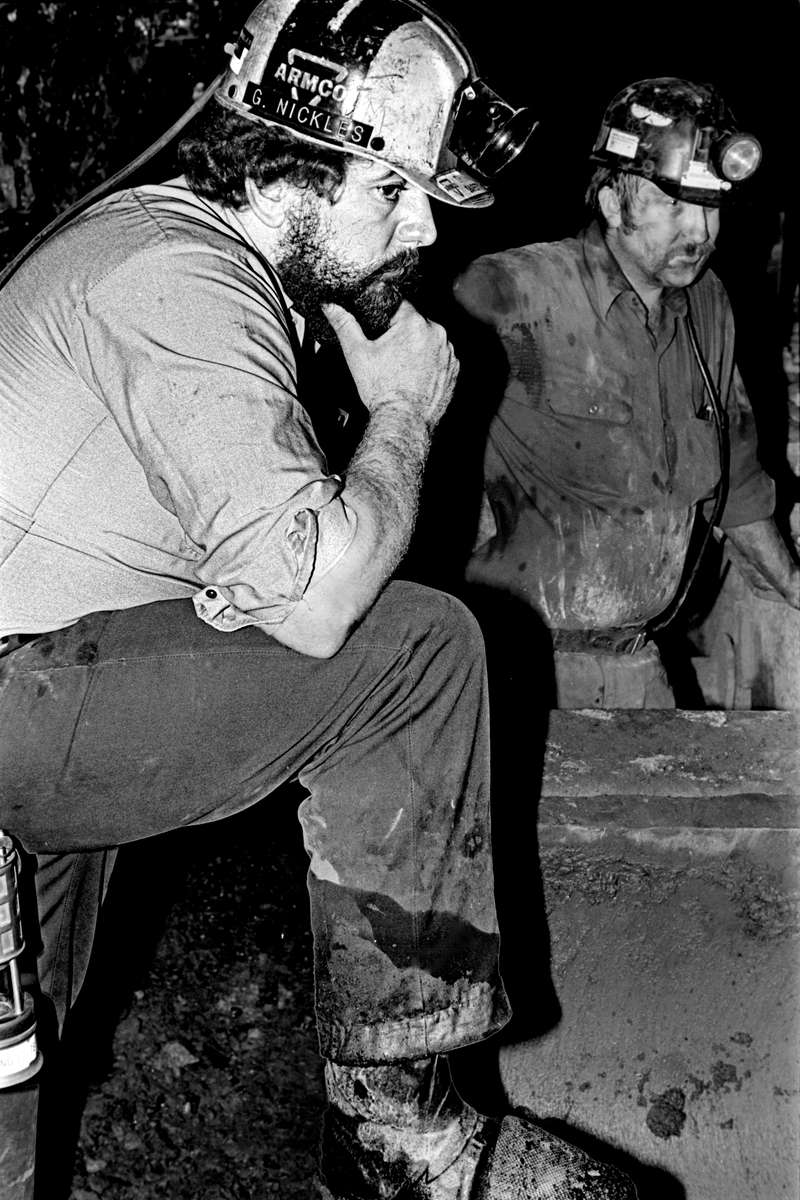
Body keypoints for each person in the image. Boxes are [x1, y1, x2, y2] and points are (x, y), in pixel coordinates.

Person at [0, 1, 637, 1196]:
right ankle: (397, 1116)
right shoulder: (179, 275)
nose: (420, 227)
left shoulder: (186, 261)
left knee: (12, 1102)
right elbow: (315, 605)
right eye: (389, 191)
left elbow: (234, 567)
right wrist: (401, 412)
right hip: (16, 692)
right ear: (292, 172)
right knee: (417, 654)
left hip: (46, 698)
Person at [452, 77, 800, 709]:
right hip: (508, 669)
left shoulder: (709, 306)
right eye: (675, 205)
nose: (700, 232)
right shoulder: (511, 291)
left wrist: (795, 587)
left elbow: (739, 482)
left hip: (639, 667)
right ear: (613, 203)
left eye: (713, 207)